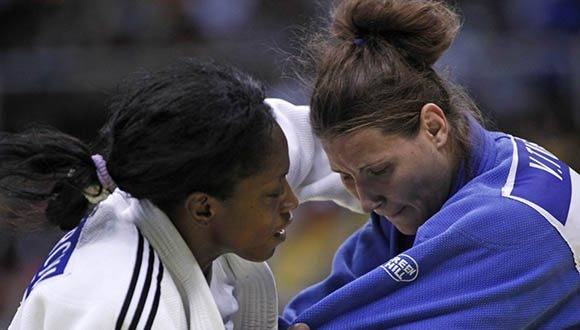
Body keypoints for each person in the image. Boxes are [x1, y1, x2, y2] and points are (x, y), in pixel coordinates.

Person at [280, 0, 580, 328]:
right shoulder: (448, 182)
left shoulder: (506, 224)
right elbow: (311, 315)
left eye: (379, 170)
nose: (366, 201)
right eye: (346, 177)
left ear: (434, 127)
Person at [1, 59, 358, 329]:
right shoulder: (127, 307)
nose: (291, 201)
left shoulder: (206, 166)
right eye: (274, 192)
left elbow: (349, 146)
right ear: (203, 208)